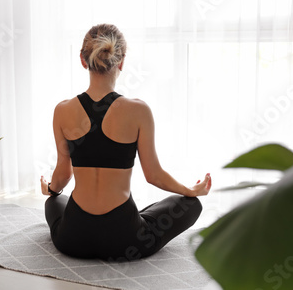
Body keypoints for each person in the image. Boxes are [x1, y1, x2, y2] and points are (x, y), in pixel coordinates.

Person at [41, 23, 212, 261]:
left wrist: (49, 188)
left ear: (83, 60)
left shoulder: (62, 110)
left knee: (54, 201)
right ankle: (138, 217)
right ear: (121, 62)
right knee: (192, 205)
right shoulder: (139, 110)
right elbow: (154, 175)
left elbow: (63, 175)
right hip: (124, 240)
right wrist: (190, 190)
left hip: (73, 239)